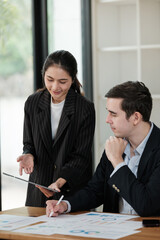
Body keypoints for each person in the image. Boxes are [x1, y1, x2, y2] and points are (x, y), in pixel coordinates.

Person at [46, 81, 160, 217]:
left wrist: (118, 162)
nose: (107, 120)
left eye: (113, 114)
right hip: (115, 232)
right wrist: (65, 205)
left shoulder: (122, 151)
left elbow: (147, 206)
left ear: (135, 117)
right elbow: (95, 191)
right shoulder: (115, 145)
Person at [17, 50, 95, 207]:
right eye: (50, 79)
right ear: (43, 75)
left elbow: (81, 156)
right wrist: (28, 154)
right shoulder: (32, 103)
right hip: (39, 190)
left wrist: (59, 182)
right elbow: (29, 142)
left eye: (62, 81)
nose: (55, 87)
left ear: (73, 79)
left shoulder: (84, 108)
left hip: (71, 191)